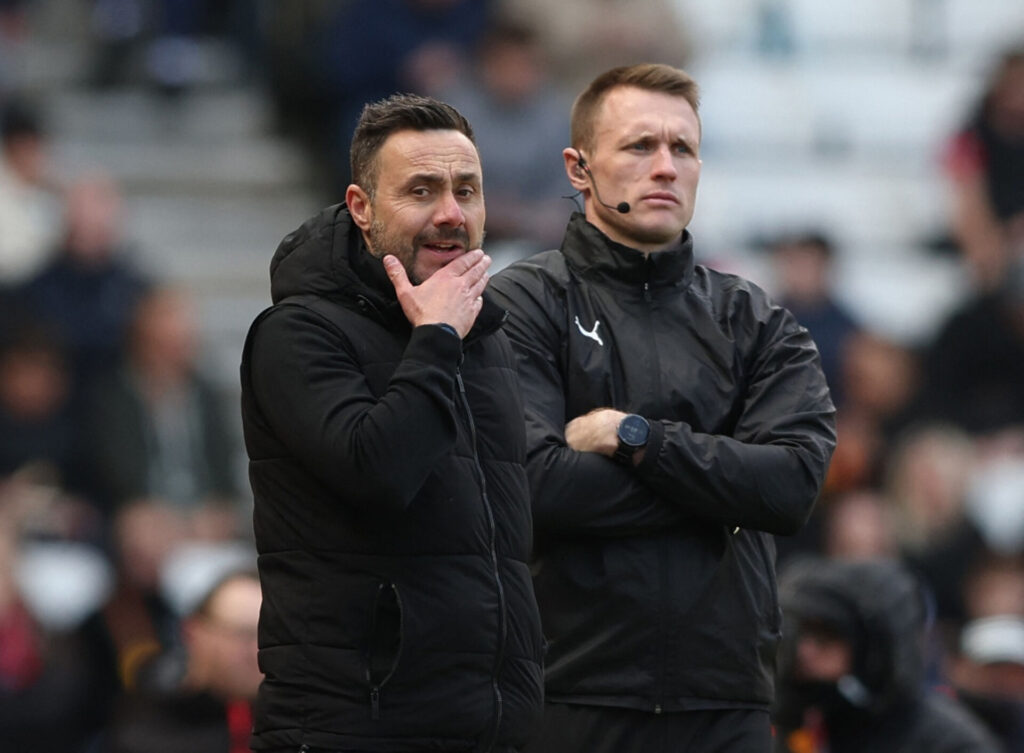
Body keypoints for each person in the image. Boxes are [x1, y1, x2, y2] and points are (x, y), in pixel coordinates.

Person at [488, 63, 836, 752]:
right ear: (579, 168)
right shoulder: (522, 305)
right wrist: (724, 491)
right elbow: (534, 485)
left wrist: (639, 439)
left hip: (726, 699)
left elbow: (792, 487)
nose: (665, 166)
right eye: (640, 146)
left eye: (683, 148)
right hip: (570, 693)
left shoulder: (756, 320)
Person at [239, 93, 543, 752]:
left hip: (489, 729)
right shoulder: (298, 333)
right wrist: (434, 338)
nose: (450, 213)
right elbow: (379, 470)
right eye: (422, 190)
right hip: (354, 725)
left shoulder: (485, 339)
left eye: (467, 190)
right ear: (361, 208)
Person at [773, 557, 1000, 753]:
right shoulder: (785, 724)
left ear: (870, 651)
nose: (805, 651)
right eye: (798, 634)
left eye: (826, 637)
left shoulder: (945, 742)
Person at [105, 569, 263, 753]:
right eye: (244, 634)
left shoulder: (291, 715)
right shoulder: (149, 722)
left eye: (269, 637)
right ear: (193, 633)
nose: (258, 651)